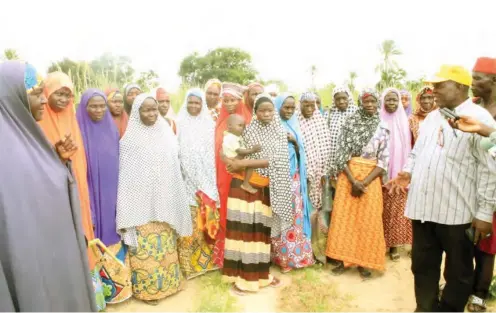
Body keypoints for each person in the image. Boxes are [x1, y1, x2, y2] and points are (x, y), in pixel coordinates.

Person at [387, 65, 496, 312]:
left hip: (457, 213)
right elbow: (417, 152)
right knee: (422, 267)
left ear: (459, 86)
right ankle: (425, 307)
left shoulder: (481, 120)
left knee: (458, 272)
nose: (433, 90)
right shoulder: (433, 116)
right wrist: (408, 171)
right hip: (423, 210)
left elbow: (490, 169)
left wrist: (484, 213)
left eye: (439, 85)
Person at [0, 60, 96, 311]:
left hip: (47, 263)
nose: (44, 100)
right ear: (12, 97)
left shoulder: (26, 137)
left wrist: (57, 161)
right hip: (26, 265)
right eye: (35, 94)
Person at [116, 93, 192, 305]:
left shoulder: (166, 133)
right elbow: (127, 175)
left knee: (166, 249)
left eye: (154, 109)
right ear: (136, 112)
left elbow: (172, 167)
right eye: (146, 110)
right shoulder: (129, 140)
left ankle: (170, 285)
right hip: (140, 208)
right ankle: (148, 292)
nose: (151, 114)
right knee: (145, 252)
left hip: (164, 203)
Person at [222, 93, 292, 295]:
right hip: (244, 187)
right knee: (244, 231)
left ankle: (261, 275)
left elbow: (273, 161)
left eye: (270, 110)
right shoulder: (248, 130)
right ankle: (242, 279)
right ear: (256, 112)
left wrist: (241, 163)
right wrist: (237, 162)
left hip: (264, 188)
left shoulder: (279, 131)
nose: (266, 114)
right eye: (262, 110)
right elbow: (231, 154)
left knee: (260, 234)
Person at [326, 88, 389, 279]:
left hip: (371, 180)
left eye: (373, 102)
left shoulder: (383, 127)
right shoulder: (350, 123)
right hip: (348, 177)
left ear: (378, 103)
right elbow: (341, 154)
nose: (369, 105)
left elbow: (383, 161)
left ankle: (364, 262)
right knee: (345, 220)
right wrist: (353, 181)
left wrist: (364, 182)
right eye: (366, 102)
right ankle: (344, 260)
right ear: (361, 103)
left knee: (368, 221)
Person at [37, 71, 95, 255]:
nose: (63, 99)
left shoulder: (72, 118)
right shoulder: (36, 121)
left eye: (67, 95)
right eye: (58, 93)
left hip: (75, 185)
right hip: (51, 190)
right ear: (46, 93)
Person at [176, 88, 220, 280]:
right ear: (186, 103)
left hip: (208, 184)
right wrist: (193, 182)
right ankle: (189, 267)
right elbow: (178, 155)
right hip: (187, 184)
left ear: (202, 105)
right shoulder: (180, 124)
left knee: (207, 225)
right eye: (191, 102)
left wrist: (207, 185)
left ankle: (208, 263)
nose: (194, 106)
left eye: (197, 103)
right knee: (191, 227)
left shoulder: (209, 125)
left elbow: (214, 156)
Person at [465, 57, 496, 312]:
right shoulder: (471, 107)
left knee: (486, 242)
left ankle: (479, 294)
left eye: (477, 78)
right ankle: (462, 284)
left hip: (492, 188)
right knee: (464, 239)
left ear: (493, 81)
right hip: (468, 186)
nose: (472, 83)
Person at [271, 93, 315, 273]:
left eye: (291, 108)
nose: (289, 111)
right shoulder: (272, 125)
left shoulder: (294, 125)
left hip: (294, 178)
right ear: (278, 107)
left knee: (295, 217)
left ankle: (297, 256)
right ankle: (282, 259)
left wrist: (294, 141)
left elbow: (300, 152)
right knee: (280, 217)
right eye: (286, 107)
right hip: (278, 179)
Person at [213, 82, 247, 267]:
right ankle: (226, 258)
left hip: (240, 176)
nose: (229, 103)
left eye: (233, 99)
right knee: (226, 212)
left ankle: (243, 256)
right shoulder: (219, 122)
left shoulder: (245, 121)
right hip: (222, 178)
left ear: (239, 100)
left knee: (240, 213)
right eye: (226, 100)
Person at [379, 88, 412, 261]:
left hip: (398, 176)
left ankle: (394, 246)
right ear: (383, 101)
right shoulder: (378, 120)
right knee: (380, 211)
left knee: (396, 211)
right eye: (388, 100)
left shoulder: (404, 121)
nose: (391, 103)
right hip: (379, 175)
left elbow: (408, 150)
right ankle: (380, 244)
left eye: (394, 100)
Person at [297, 92, 332, 213]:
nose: (309, 108)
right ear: (300, 104)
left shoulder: (320, 121)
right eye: (306, 105)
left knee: (321, 207)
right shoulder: (296, 122)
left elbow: (326, 146)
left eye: (312, 105)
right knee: (304, 204)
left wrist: (325, 171)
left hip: (322, 171)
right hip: (304, 171)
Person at [222, 114, 261, 194]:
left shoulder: (236, 136)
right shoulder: (230, 138)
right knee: (251, 164)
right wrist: (252, 150)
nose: (242, 128)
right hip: (234, 160)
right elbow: (239, 151)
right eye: (239, 125)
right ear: (229, 126)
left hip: (237, 159)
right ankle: (245, 184)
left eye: (243, 126)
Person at [326, 86, 358, 173]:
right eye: (338, 99)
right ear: (334, 100)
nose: (341, 101)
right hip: (331, 157)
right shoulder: (330, 113)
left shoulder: (356, 113)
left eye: (344, 98)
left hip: (350, 159)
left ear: (349, 98)